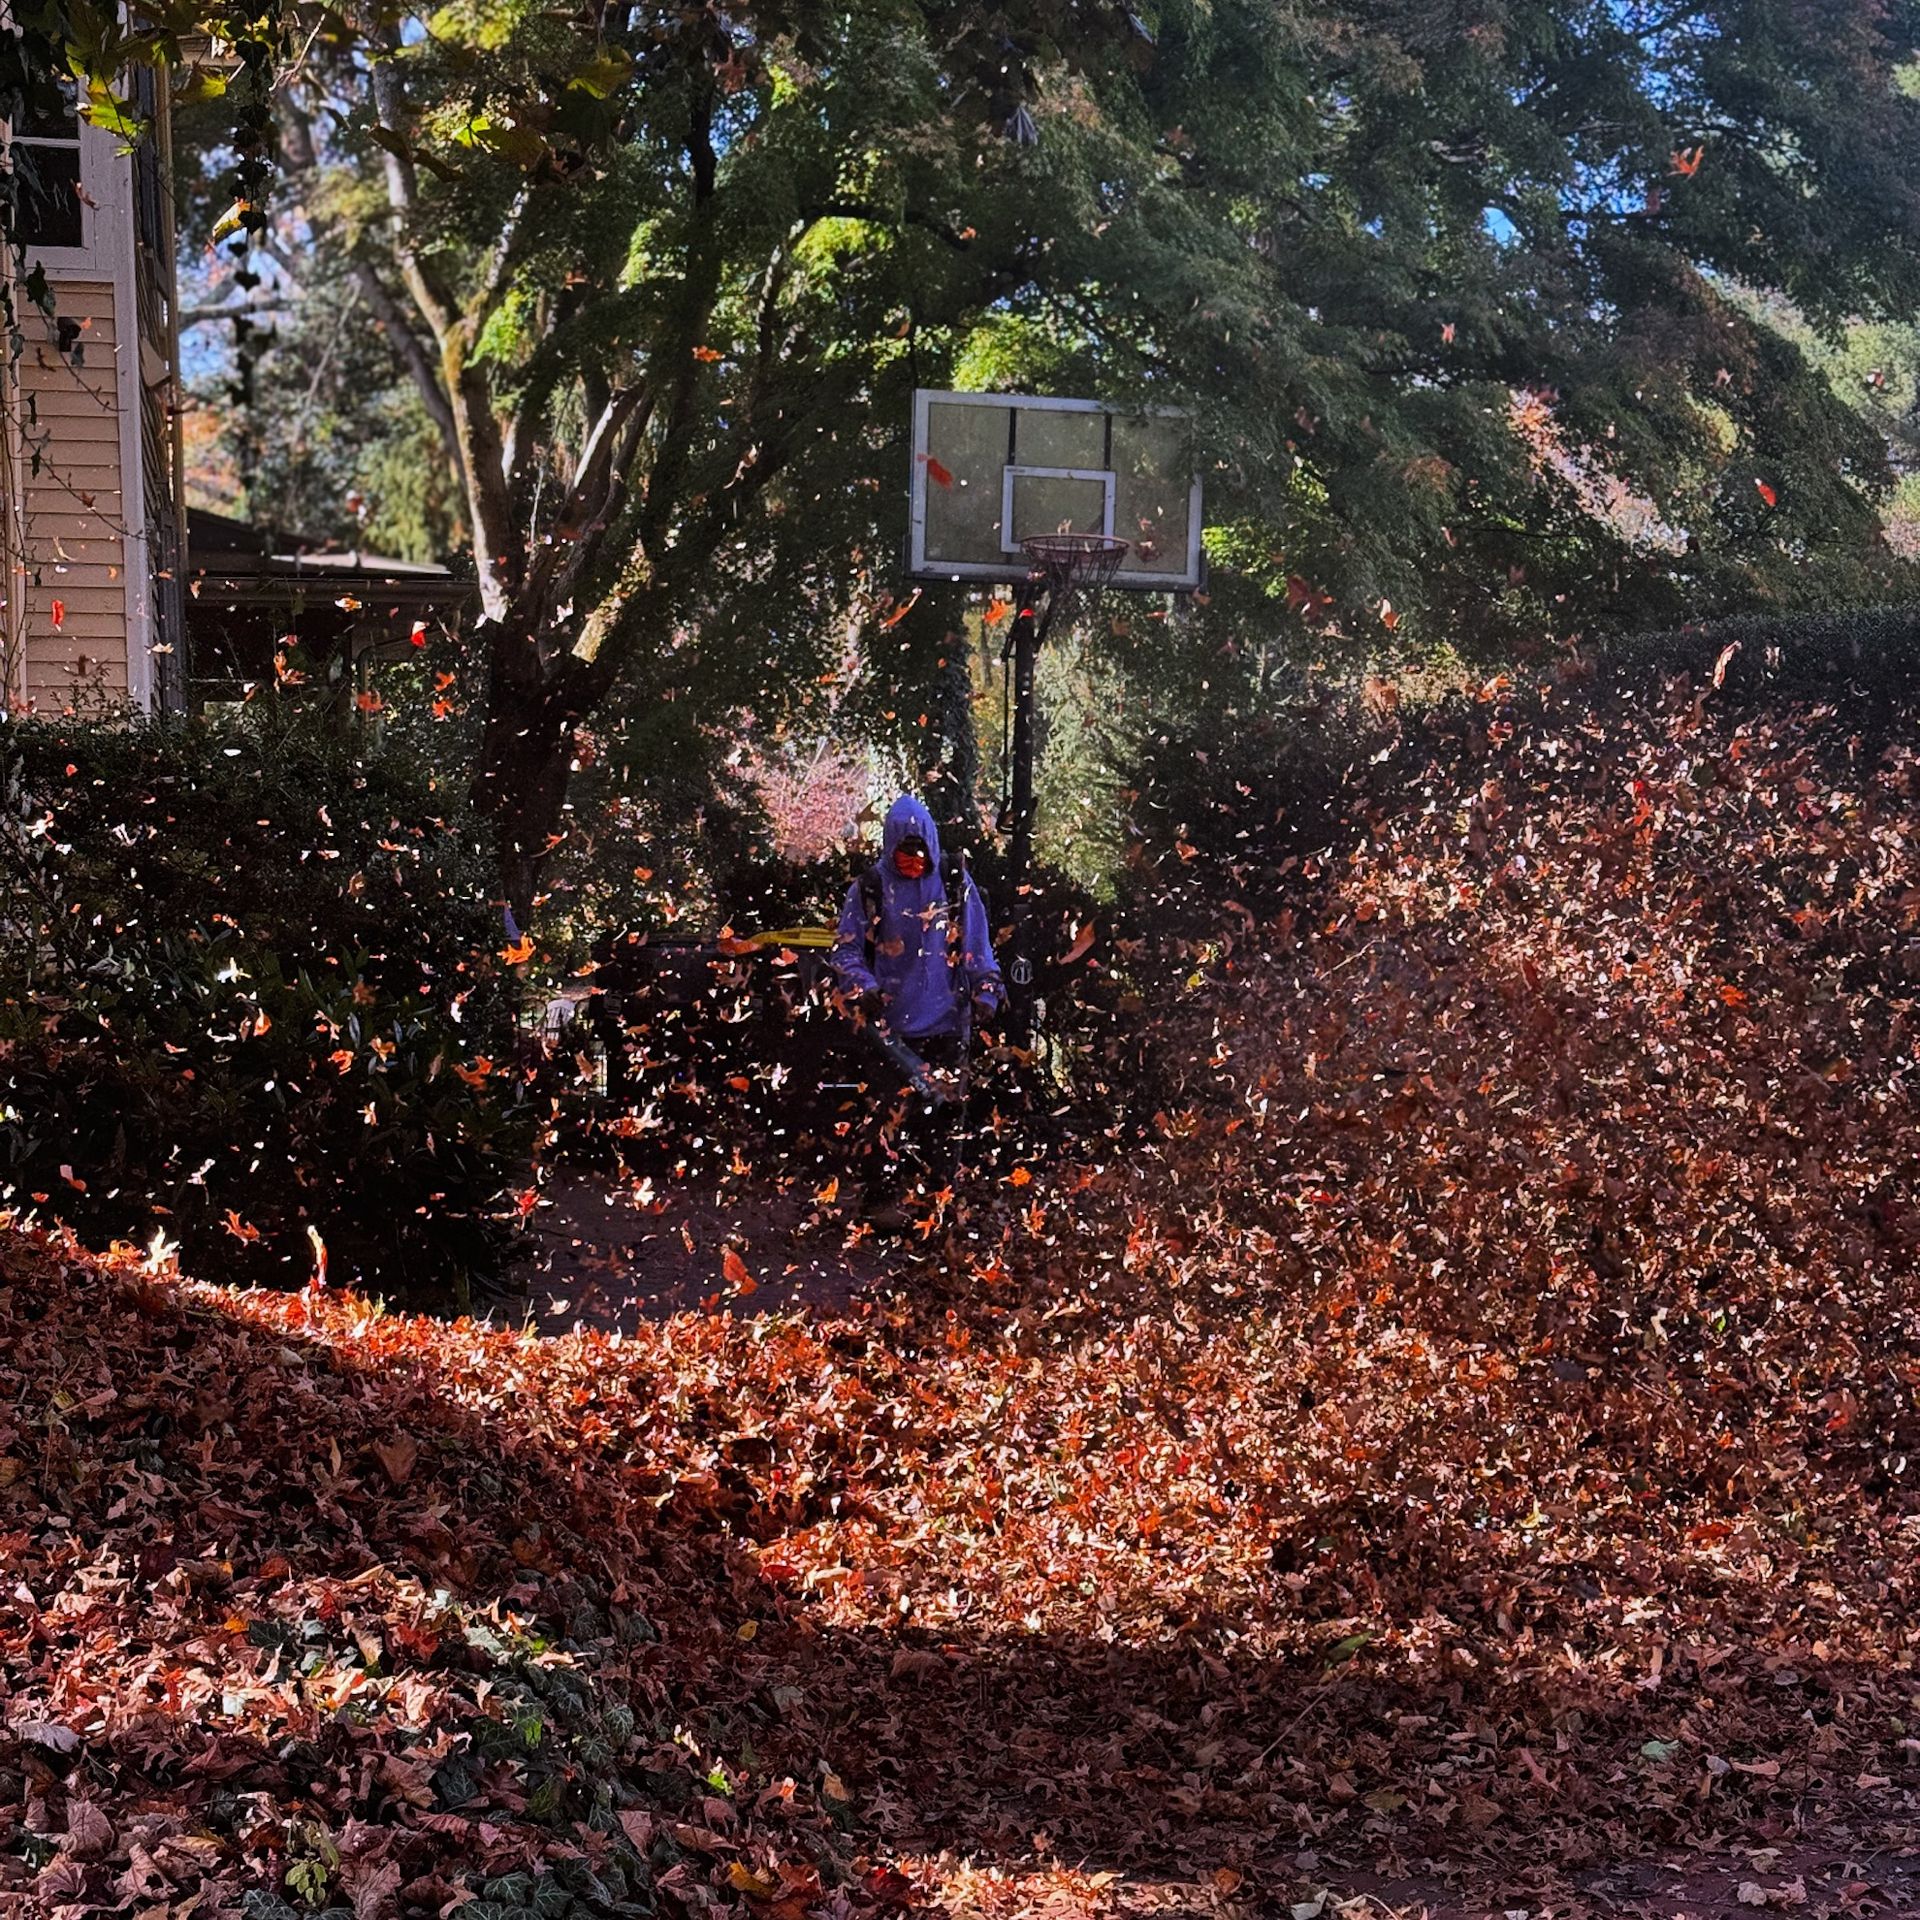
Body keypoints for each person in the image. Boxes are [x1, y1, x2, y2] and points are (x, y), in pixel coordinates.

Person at [831, 793, 1004, 1230]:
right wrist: (863, 988)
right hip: (889, 1030)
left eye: (919, 853)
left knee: (947, 1121)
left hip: (948, 1022)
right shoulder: (868, 888)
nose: (913, 862)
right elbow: (847, 950)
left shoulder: (952, 880)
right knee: (886, 1116)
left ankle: (937, 1205)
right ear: (890, 848)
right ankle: (881, 1204)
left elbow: (976, 944)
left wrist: (986, 989)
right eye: (904, 854)